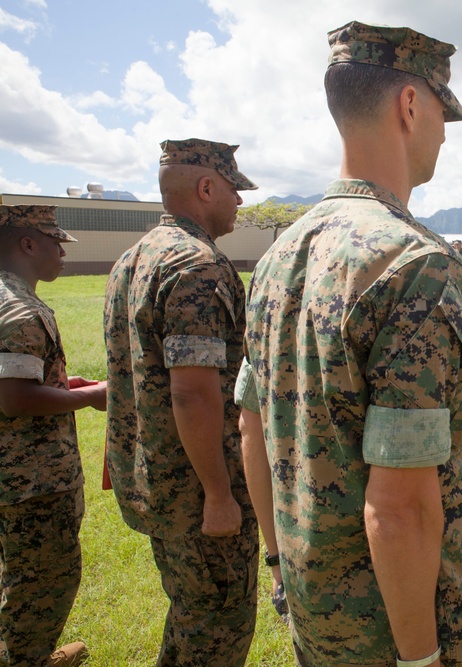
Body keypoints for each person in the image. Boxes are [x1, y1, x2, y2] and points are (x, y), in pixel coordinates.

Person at [239, 21, 462, 666]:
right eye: (442, 112)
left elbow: (251, 427)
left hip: (314, 606)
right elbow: (400, 503)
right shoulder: (413, 264)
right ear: (411, 105)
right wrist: (421, 657)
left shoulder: (279, 256)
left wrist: (276, 562)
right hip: (396, 625)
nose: (442, 133)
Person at [104, 139, 259, 666]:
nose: (240, 202)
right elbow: (193, 391)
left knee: (193, 616)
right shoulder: (196, 265)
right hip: (196, 489)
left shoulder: (134, 258)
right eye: (234, 190)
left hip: (156, 477)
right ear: (206, 187)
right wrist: (219, 495)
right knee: (217, 631)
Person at [0, 205, 107, 667]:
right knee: (44, 581)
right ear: (27, 244)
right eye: (55, 241)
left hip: (13, 477)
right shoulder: (21, 310)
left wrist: (66, 385)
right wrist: (91, 397)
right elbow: (16, 399)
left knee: (15, 574)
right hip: (32, 482)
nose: (62, 251)